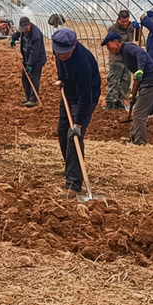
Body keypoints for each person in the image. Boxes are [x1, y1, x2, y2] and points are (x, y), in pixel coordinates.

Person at [52, 28, 102, 198]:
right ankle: (71, 167)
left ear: (74, 46)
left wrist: (79, 123)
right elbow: (61, 66)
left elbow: (86, 97)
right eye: (59, 52)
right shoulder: (58, 52)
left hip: (84, 98)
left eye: (65, 53)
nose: (61, 55)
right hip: (68, 93)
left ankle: (73, 185)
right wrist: (62, 79)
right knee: (62, 131)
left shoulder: (82, 63)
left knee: (73, 136)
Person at [102, 32, 153, 145]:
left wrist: (140, 69)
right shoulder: (123, 53)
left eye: (108, 45)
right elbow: (137, 75)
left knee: (139, 112)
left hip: (152, 82)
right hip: (145, 83)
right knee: (138, 110)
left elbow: (141, 53)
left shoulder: (127, 47)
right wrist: (133, 93)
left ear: (116, 42)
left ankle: (140, 142)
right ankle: (134, 137)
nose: (108, 48)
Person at [105, 10, 140, 110]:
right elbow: (111, 43)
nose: (125, 24)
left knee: (126, 81)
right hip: (116, 58)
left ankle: (120, 101)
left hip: (128, 58)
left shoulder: (131, 27)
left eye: (126, 21)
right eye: (122, 22)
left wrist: (137, 29)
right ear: (118, 20)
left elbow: (136, 38)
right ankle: (111, 102)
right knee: (114, 80)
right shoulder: (113, 29)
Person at [10, 16, 45, 108]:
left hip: (36, 60)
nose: (24, 30)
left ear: (29, 25)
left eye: (25, 28)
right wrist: (13, 38)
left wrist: (30, 64)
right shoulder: (23, 30)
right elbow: (18, 33)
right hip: (26, 58)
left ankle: (33, 100)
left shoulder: (36, 35)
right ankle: (28, 97)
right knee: (24, 78)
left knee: (33, 78)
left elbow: (35, 52)